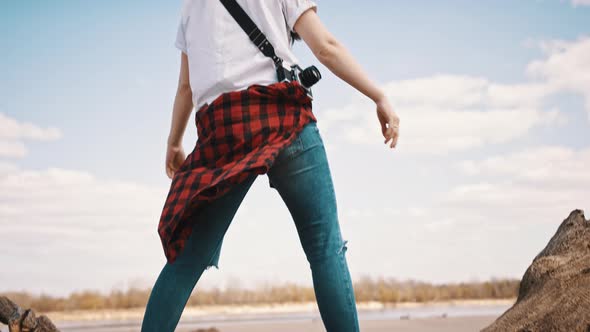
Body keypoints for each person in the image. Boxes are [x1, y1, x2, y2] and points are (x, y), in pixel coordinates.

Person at [141, 1, 399, 331]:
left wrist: (174, 142)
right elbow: (325, 46)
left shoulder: (191, 6)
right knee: (325, 249)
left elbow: (186, 88)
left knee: (186, 261)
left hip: (222, 129)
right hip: (282, 113)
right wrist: (378, 95)